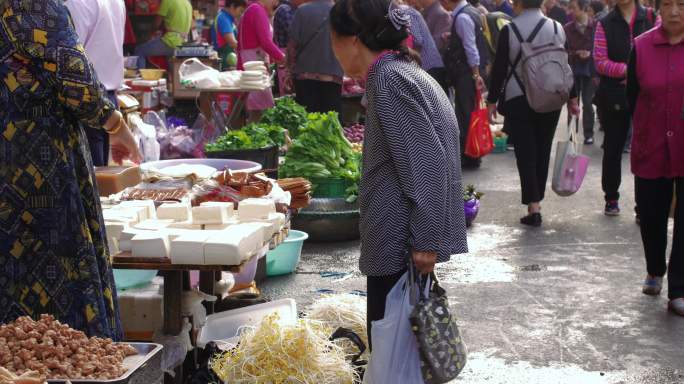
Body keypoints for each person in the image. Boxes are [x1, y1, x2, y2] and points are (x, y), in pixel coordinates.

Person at [328, 0, 468, 346]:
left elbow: (427, 162)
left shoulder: (390, 80)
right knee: (401, 353)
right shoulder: (401, 71)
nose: (332, 49)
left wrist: (426, 240)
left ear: (353, 40)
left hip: (397, 244)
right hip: (399, 242)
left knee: (393, 354)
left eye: (332, 39)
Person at [0, 0, 141, 338]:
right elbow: (74, 75)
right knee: (55, 277)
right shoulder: (31, 4)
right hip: (34, 158)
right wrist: (116, 125)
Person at [487, 0, 579, 226]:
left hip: (519, 97)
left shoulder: (509, 29)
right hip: (551, 95)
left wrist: (491, 101)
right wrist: (573, 97)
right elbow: (566, 65)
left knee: (525, 153)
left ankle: (533, 205)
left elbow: (499, 69)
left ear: (518, 3)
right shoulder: (557, 28)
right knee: (543, 147)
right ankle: (538, 199)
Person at [626, 0, 684, 315]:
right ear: (657, 9)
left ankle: (679, 288)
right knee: (650, 215)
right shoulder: (642, 45)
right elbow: (632, 95)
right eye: (669, 5)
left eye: (682, 5)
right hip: (651, 143)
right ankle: (654, 269)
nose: (675, 11)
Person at [593, 0, 655, 216]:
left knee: (646, 149)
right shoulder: (604, 22)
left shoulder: (651, 18)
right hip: (614, 95)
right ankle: (611, 197)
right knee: (613, 148)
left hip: (647, 95)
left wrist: (640, 73)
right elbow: (599, 60)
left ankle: (644, 204)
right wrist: (627, 70)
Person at [65, 0, 126, 167]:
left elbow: (68, 61)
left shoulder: (76, 4)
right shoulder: (116, 2)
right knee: (101, 176)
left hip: (87, 99)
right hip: (106, 97)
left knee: (93, 177)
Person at [443, 0, 490, 169]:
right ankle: (472, 153)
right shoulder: (472, 11)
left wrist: (475, 74)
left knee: (465, 113)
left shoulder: (462, 17)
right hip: (470, 71)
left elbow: (471, 48)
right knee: (468, 112)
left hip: (467, 73)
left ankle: (469, 155)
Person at [288, 0, 344, 113]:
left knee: (307, 122)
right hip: (332, 76)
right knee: (330, 122)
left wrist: (290, 69)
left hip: (305, 75)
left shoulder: (302, 11)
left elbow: (292, 45)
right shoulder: (341, 13)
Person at [238, 0, 286, 119]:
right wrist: (283, 58)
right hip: (254, 67)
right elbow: (266, 43)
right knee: (260, 111)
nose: (276, 4)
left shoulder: (254, 9)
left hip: (254, 65)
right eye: (275, 1)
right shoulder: (256, 10)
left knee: (257, 111)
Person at [564, 0, 597, 144]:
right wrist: (576, 53)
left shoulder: (596, 26)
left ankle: (588, 134)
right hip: (572, 70)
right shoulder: (567, 28)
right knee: (572, 103)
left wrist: (591, 54)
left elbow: (601, 49)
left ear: (584, 9)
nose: (570, 11)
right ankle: (572, 133)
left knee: (588, 103)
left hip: (590, 70)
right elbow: (563, 51)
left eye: (574, 8)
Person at [403, 4, 450, 92]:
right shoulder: (406, 12)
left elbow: (418, 40)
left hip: (430, 67)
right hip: (428, 68)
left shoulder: (406, 12)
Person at [134, 0, 193, 69]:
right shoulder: (187, 2)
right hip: (183, 43)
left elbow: (156, 24)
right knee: (169, 60)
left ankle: (140, 77)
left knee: (140, 50)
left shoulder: (168, 1)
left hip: (171, 42)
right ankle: (170, 77)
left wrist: (149, 35)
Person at [212, 0, 247, 70]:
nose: (241, 14)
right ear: (232, 6)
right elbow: (232, 43)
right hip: (225, 61)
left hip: (229, 59)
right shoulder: (223, 18)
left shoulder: (228, 18)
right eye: (240, 11)